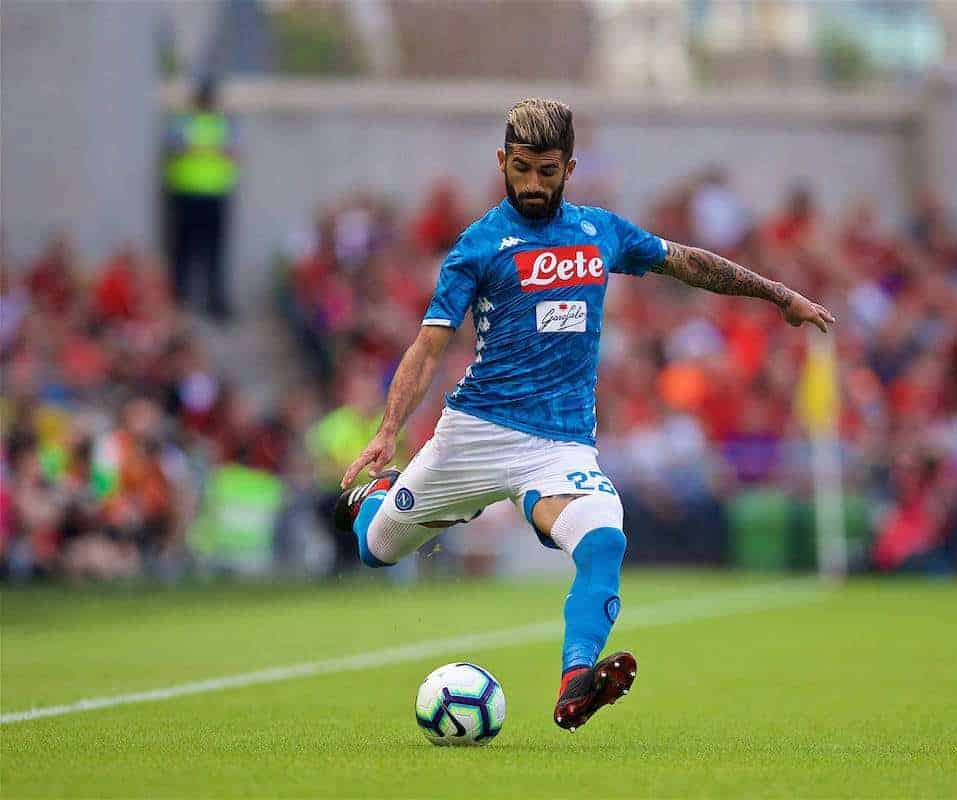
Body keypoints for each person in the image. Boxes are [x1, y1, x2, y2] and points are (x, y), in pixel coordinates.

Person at [335, 98, 835, 733]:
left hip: (561, 445)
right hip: (476, 432)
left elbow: (689, 262)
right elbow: (429, 343)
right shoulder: (479, 246)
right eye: (522, 169)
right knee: (377, 550)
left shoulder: (599, 232)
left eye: (548, 170)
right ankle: (378, 497)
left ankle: (576, 678)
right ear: (502, 163)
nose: (535, 184)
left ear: (569, 165)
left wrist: (779, 295)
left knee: (604, 536)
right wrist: (387, 432)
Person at [163, 76, 238, 320]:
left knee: (213, 252)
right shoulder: (185, 122)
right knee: (183, 251)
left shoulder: (220, 124)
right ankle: (179, 300)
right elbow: (174, 149)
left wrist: (199, 150)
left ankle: (213, 301)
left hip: (213, 194)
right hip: (187, 194)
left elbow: (233, 153)